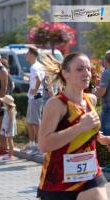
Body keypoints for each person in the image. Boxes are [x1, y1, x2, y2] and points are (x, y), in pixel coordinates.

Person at [37, 52, 108, 200]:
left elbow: (88, 130)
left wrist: (101, 138)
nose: (87, 73)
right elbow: (44, 144)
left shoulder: (91, 100)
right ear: (65, 73)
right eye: (80, 69)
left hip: (90, 174)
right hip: (59, 182)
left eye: (88, 69)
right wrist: (79, 127)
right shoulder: (57, 104)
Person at [23, 46, 45, 155]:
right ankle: (33, 144)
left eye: (27, 53)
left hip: (35, 98)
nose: (25, 55)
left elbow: (39, 79)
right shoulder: (38, 66)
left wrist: (34, 90)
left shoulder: (34, 67)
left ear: (32, 54)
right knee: (31, 122)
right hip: (36, 97)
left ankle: (38, 147)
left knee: (35, 123)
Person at [93, 50, 110, 136]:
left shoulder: (106, 73)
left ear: (106, 60)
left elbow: (101, 93)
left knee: (106, 137)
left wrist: (95, 89)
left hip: (108, 109)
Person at [0, 95, 17, 161]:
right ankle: (9, 154)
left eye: (4, 102)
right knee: (9, 140)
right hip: (7, 127)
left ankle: (10, 155)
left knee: (10, 141)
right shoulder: (7, 109)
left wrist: (8, 128)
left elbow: (10, 120)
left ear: (7, 103)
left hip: (9, 127)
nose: (3, 103)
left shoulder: (11, 110)